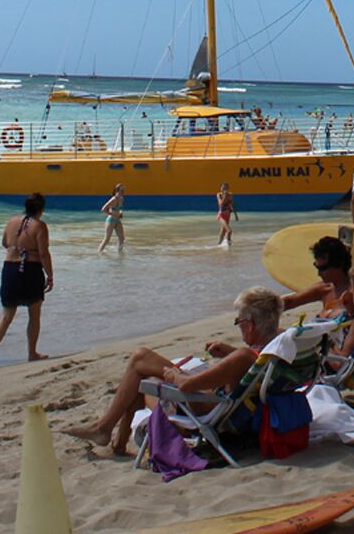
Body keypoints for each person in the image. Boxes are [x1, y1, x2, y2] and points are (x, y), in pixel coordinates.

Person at [64, 288, 286, 456]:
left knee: (142, 365)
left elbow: (186, 386)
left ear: (249, 324)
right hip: (238, 410)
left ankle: (105, 430)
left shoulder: (244, 357)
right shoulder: (278, 344)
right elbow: (247, 365)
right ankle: (114, 440)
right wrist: (228, 353)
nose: (238, 326)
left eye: (238, 321)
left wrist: (173, 374)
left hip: (212, 410)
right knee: (143, 370)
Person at [0, 193, 53, 370]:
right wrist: (50, 275)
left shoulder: (11, 221)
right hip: (31, 269)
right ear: (42, 208)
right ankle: (31, 352)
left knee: (7, 315)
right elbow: (43, 253)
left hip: (10, 268)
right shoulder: (40, 226)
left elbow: (5, 243)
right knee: (34, 312)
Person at [281, 235, 353, 316]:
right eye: (317, 267)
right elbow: (291, 301)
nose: (318, 274)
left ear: (339, 264)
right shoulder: (325, 288)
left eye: (323, 268)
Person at [99, 184, 125, 253]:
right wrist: (112, 214)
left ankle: (120, 253)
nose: (123, 192)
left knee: (122, 239)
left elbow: (120, 209)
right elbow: (103, 209)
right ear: (117, 191)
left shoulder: (122, 199)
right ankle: (99, 253)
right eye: (121, 190)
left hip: (117, 220)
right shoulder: (113, 199)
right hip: (111, 220)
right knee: (107, 239)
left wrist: (120, 213)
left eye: (123, 190)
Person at [216, 182, 236, 248]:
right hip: (221, 215)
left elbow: (232, 205)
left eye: (225, 188)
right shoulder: (219, 195)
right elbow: (221, 204)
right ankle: (228, 245)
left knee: (223, 231)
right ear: (220, 188)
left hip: (228, 215)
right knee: (229, 231)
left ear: (228, 189)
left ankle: (218, 246)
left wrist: (236, 215)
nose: (223, 189)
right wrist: (225, 196)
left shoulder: (230, 195)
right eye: (222, 187)